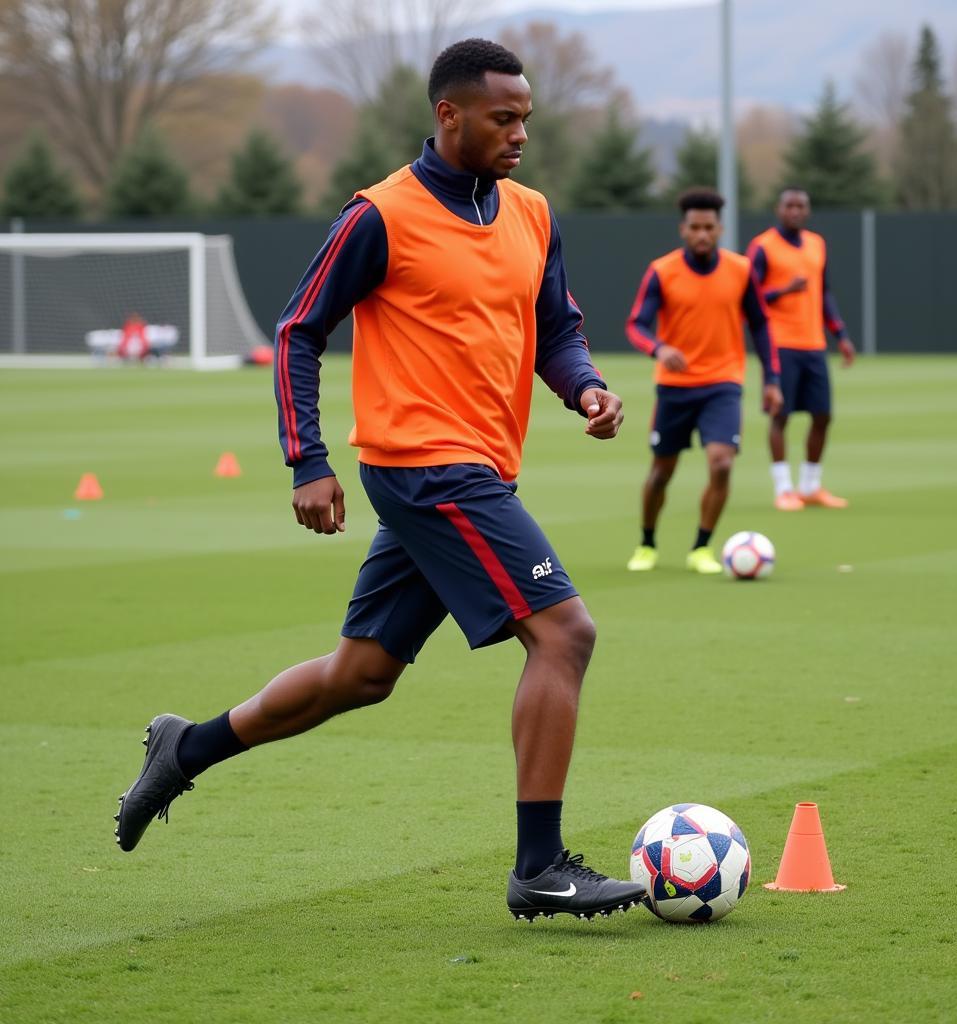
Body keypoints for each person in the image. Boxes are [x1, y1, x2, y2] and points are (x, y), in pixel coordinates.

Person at [113, 38, 646, 924]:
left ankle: (186, 748)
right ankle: (540, 868)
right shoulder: (380, 215)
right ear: (450, 116)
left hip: (474, 469)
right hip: (426, 468)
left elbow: (558, 327)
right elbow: (297, 331)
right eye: (502, 118)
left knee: (361, 674)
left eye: (526, 119)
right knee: (565, 634)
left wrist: (584, 384)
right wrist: (308, 461)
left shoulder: (534, 214)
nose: (520, 134)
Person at [625, 188, 782, 575]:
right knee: (662, 472)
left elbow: (761, 326)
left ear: (720, 229)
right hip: (674, 386)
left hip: (723, 383)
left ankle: (701, 547)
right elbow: (636, 325)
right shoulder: (662, 271)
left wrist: (772, 379)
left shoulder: (741, 270)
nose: (702, 235)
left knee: (722, 464)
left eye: (709, 228)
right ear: (683, 229)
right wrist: (659, 349)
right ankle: (647, 542)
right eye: (695, 227)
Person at [747, 188, 856, 511]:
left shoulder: (817, 244)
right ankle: (784, 489)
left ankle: (810, 486)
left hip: (814, 344)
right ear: (778, 209)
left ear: (807, 211)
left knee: (822, 416)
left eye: (801, 206)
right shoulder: (763, 247)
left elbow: (824, 293)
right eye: (789, 206)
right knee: (780, 416)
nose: (795, 211)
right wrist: (784, 290)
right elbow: (749, 299)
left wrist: (841, 334)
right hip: (780, 345)